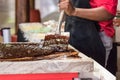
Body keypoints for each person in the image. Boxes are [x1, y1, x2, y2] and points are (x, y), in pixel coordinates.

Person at [59, 0, 118, 68]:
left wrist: (74, 11)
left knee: (91, 74)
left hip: (96, 39)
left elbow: (108, 13)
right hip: (74, 35)